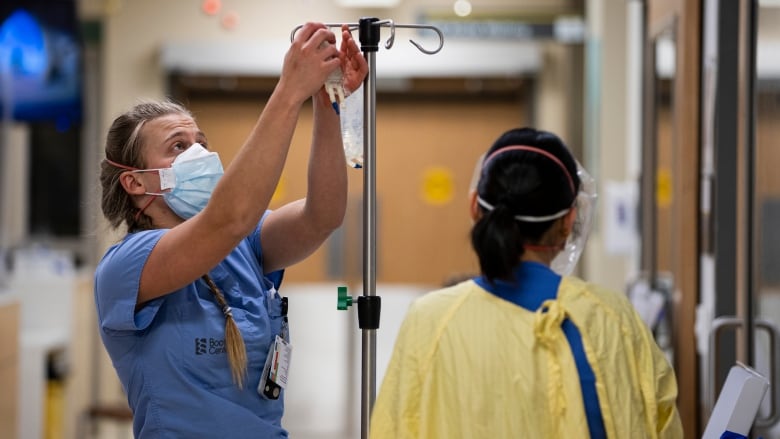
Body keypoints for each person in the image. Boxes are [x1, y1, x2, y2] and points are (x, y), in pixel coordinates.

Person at [94, 23, 368, 438]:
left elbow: (322, 216)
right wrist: (289, 90)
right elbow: (227, 219)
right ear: (135, 182)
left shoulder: (243, 244)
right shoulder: (126, 267)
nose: (200, 154)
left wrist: (326, 100)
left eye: (199, 140)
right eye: (178, 146)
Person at [370, 127, 683, 438]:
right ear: (569, 222)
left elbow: (392, 428)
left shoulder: (430, 322)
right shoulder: (613, 319)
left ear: (474, 208)